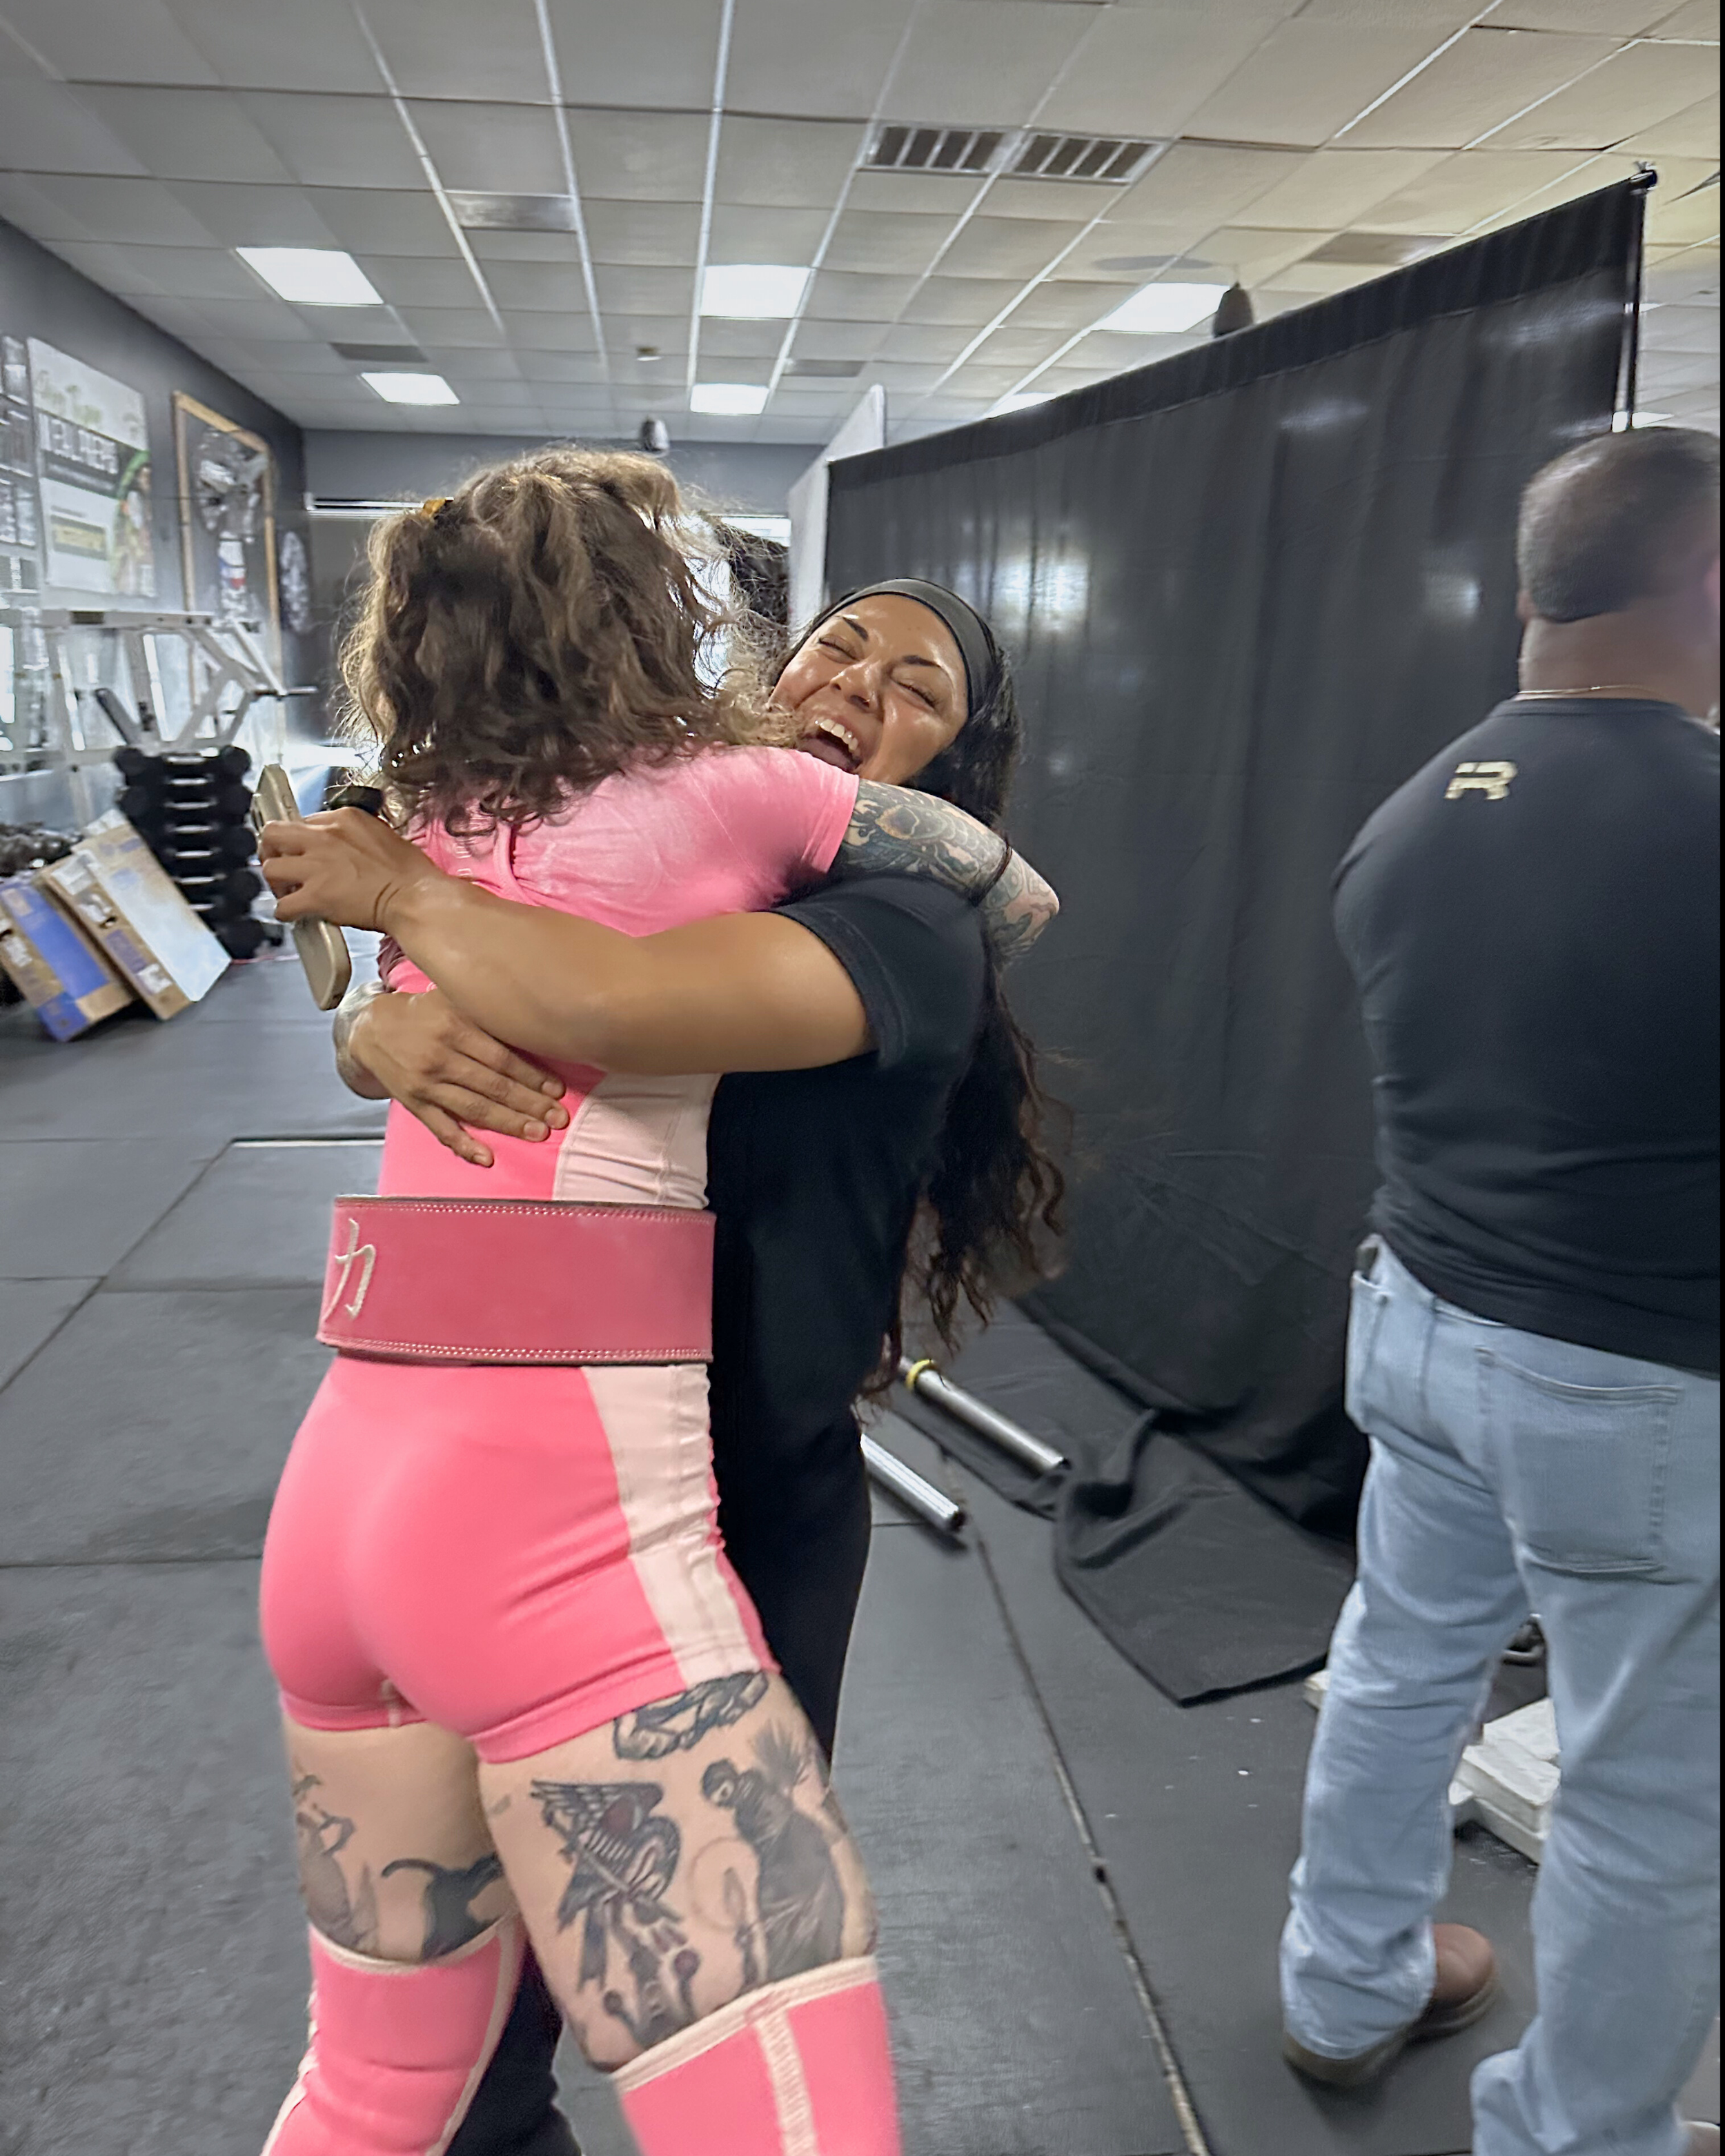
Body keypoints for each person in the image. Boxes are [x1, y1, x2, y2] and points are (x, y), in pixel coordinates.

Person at [254, 450, 1059, 2156]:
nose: (856, 684)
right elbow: (471, 991)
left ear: (945, 758)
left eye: (913, 688)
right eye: (838, 645)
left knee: (601, 2018)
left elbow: (599, 1002)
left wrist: (408, 908)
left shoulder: (905, 924)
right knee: (466, 2080)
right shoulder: (614, 825)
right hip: (515, 1480)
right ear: (767, 660)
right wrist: (371, 1022)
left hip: (727, 1499)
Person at [1280, 426, 1720, 2156]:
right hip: (1625, 1385)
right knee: (1644, 1793)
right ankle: (1578, 2134)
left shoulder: (1411, 809)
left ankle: (1343, 1986)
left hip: (1418, 1327)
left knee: (1398, 1666)